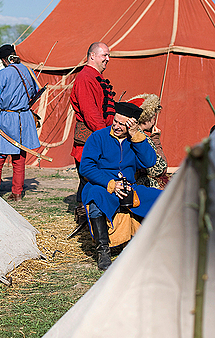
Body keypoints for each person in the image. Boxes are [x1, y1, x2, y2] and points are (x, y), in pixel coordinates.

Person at [80, 101, 162, 271]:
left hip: (129, 186)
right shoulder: (98, 137)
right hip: (102, 184)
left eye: (122, 124)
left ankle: (152, 243)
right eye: (115, 121)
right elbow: (86, 167)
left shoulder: (136, 140)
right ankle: (103, 251)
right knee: (96, 195)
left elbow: (150, 161)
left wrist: (137, 136)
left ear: (131, 124)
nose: (116, 126)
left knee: (160, 197)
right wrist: (110, 183)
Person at [70, 42, 116, 228]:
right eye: (104, 55)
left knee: (95, 180)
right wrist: (105, 137)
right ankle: (84, 219)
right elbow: (91, 113)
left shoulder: (95, 77)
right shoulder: (85, 78)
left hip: (98, 137)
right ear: (92, 56)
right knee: (89, 179)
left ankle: (90, 220)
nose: (107, 59)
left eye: (108, 55)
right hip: (90, 141)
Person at [0, 44, 40, 201]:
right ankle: (17, 192)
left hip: (7, 118)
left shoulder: (4, 72)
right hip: (24, 118)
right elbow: (35, 93)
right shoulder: (27, 70)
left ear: (4, 59)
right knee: (19, 158)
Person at [128, 93, 168, 189]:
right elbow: (160, 169)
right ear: (146, 120)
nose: (154, 120)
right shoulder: (142, 138)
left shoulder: (127, 134)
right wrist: (155, 140)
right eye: (153, 117)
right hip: (142, 185)